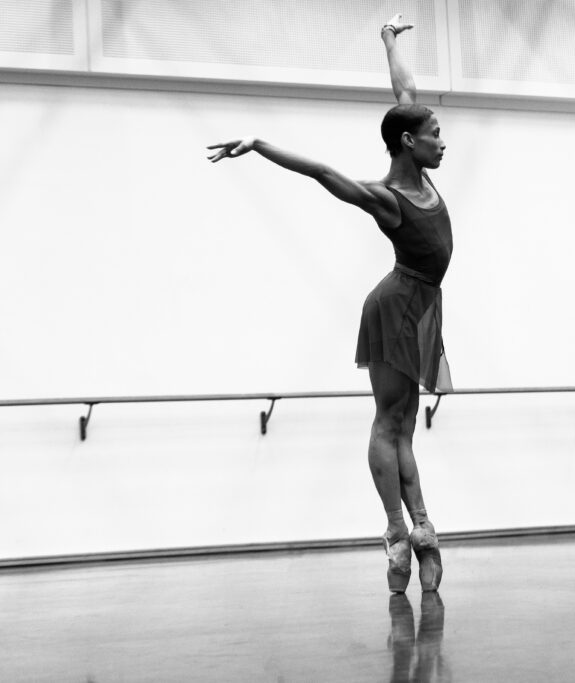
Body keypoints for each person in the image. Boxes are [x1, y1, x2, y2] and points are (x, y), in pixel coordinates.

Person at [207, 14, 450, 593]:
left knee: (406, 427)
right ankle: (398, 531)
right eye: (435, 133)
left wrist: (388, 41)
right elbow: (321, 173)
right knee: (389, 422)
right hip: (395, 304)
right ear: (409, 143)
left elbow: (404, 91)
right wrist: (261, 145)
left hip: (422, 304)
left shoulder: (416, 152)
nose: (443, 140)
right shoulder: (387, 198)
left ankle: (422, 529)